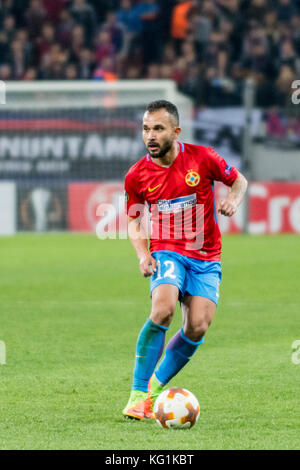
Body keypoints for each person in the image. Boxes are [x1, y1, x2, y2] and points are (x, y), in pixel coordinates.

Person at [122, 100, 248, 420]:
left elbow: (239, 181)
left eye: (158, 129)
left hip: (206, 255)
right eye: (146, 129)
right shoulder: (137, 175)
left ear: (176, 132)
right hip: (167, 250)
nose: (150, 136)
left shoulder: (203, 158)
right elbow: (134, 221)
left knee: (197, 327)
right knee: (163, 309)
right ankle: (138, 394)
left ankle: (154, 385)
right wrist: (142, 254)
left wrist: (233, 201)